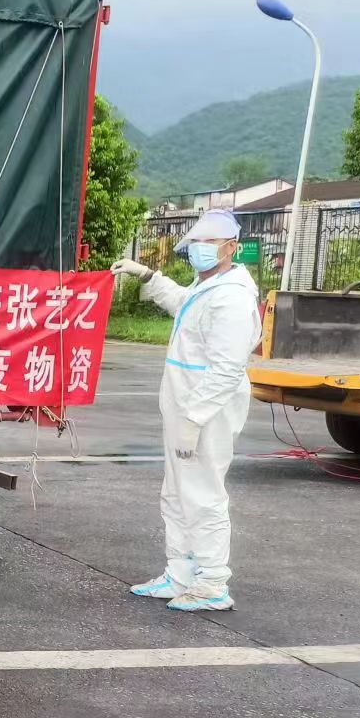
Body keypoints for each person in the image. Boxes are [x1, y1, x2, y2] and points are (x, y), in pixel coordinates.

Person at [111, 207, 262, 612]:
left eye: (210, 242)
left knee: (202, 493)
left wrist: (195, 419)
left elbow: (227, 369)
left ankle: (212, 582)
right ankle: (180, 573)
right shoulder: (207, 286)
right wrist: (150, 277)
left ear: (232, 247)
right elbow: (182, 303)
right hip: (185, 407)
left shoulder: (233, 297)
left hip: (206, 412)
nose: (201, 248)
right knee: (177, 492)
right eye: (197, 241)